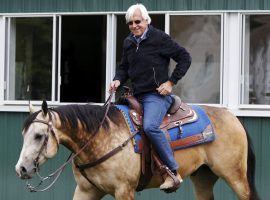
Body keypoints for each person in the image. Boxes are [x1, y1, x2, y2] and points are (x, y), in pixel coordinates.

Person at [109, 3, 191, 191]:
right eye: (130, 23)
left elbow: (185, 57)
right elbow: (124, 68)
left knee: (150, 127)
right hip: (135, 95)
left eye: (137, 21)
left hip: (156, 96)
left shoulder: (159, 38)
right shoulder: (128, 42)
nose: (134, 26)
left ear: (146, 20)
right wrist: (117, 80)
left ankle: (173, 172)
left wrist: (170, 83)